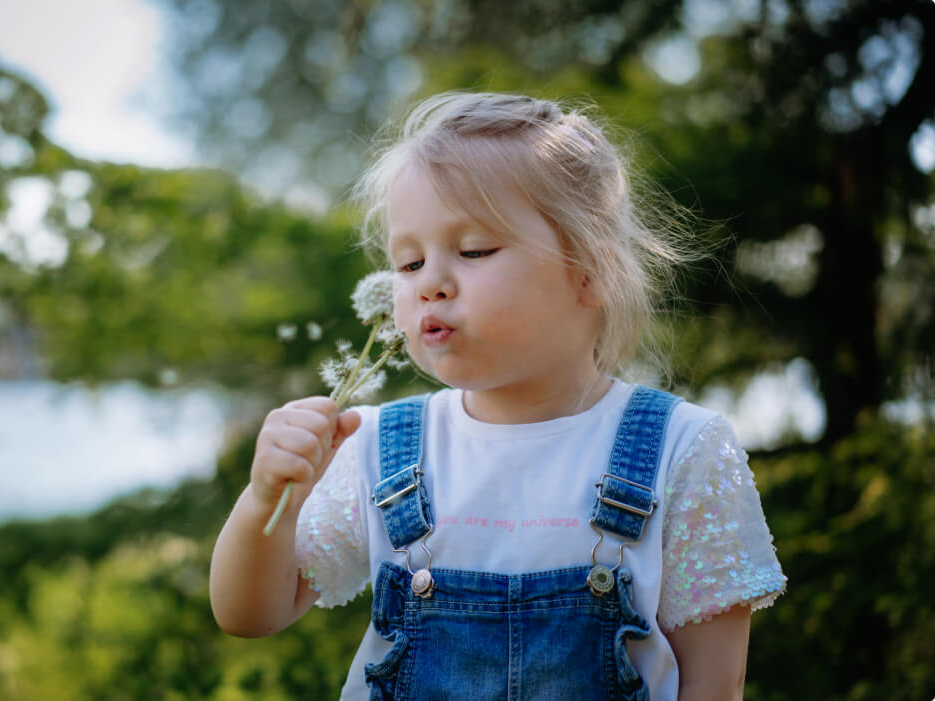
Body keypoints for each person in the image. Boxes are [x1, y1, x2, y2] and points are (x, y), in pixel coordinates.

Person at [209, 91, 786, 700]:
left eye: (474, 250)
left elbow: (714, 685)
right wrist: (266, 501)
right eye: (407, 263)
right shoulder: (377, 447)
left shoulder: (682, 450)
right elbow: (250, 614)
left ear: (589, 269)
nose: (430, 282)